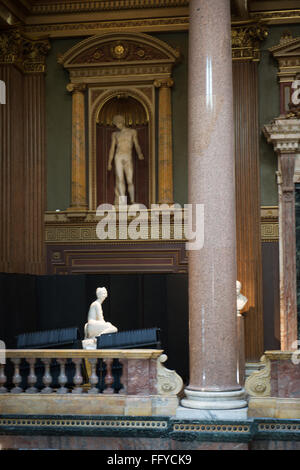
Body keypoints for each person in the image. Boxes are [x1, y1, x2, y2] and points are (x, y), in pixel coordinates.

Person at [107, 114, 144, 205]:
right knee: (120, 179)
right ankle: (123, 202)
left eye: (118, 124)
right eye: (115, 125)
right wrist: (109, 162)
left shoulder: (132, 132)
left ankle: (132, 200)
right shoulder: (115, 134)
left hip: (128, 156)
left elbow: (136, 144)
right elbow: (112, 149)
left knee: (130, 180)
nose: (117, 126)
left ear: (122, 122)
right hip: (118, 156)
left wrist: (139, 154)